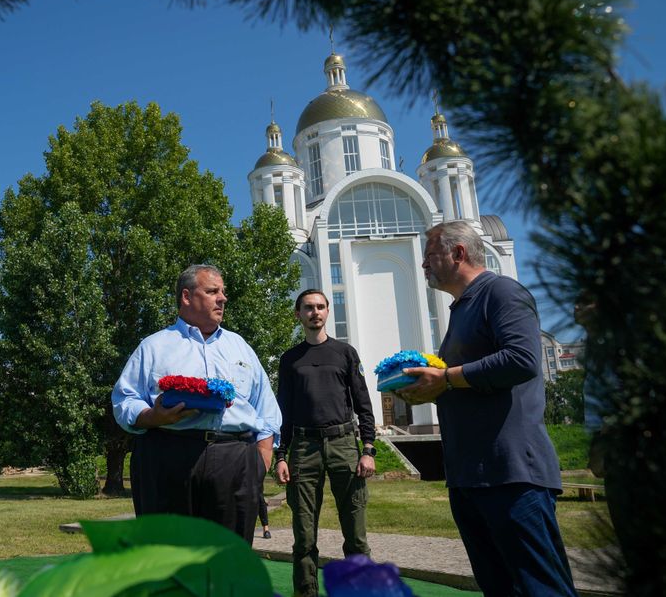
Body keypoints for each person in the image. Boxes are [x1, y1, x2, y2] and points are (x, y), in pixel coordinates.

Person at [399, 221, 577, 597]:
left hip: (511, 474)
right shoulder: (462, 307)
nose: (423, 266)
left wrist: (446, 379)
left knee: (540, 587)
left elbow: (522, 359)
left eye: (429, 256)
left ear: (458, 253)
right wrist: (427, 391)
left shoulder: (501, 292)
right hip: (471, 476)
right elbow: (469, 383)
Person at [111, 264, 282, 544]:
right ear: (187, 297)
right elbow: (123, 400)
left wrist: (261, 460)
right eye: (213, 291)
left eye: (223, 292)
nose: (223, 298)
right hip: (168, 457)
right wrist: (152, 417)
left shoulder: (240, 347)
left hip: (234, 459)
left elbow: (265, 407)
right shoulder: (154, 346)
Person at [275, 289, 376, 597]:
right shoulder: (290, 360)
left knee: (355, 534)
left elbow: (363, 404)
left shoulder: (345, 353)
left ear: (327, 312)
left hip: (344, 444)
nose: (314, 312)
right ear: (298, 314)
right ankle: (306, 592)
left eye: (320, 307)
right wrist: (280, 456)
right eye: (308, 307)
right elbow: (284, 412)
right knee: (304, 535)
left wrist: (368, 449)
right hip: (304, 450)